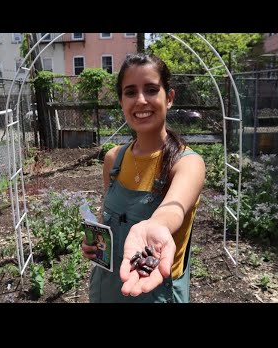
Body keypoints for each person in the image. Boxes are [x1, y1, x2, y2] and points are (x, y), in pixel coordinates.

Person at [81, 53, 205, 303]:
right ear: (121, 101)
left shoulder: (187, 163)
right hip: (106, 287)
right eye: (130, 92)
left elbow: (173, 210)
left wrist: (155, 224)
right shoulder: (113, 159)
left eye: (151, 89)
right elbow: (110, 222)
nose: (140, 100)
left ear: (168, 98)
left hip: (155, 289)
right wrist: (96, 244)